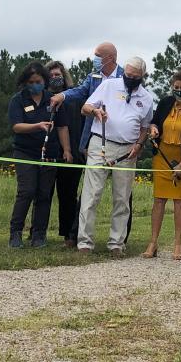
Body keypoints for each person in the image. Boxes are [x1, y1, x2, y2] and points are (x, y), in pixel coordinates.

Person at [50, 42, 134, 241]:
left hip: (122, 144)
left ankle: (121, 239)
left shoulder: (127, 77)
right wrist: (62, 95)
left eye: (97, 55)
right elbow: (79, 92)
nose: (94, 58)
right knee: (90, 191)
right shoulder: (93, 77)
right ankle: (78, 236)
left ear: (110, 58)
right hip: (95, 140)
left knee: (123, 194)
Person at [76, 56, 153, 257]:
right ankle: (85, 242)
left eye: (135, 77)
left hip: (128, 150)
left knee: (122, 197)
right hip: (100, 142)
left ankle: (116, 243)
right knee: (91, 194)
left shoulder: (146, 98)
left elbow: (145, 127)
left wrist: (139, 144)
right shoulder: (109, 85)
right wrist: (96, 111)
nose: (130, 79)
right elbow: (85, 108)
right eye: (128, 75)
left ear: (142, 76)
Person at [7, 62, 72, 248]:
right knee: (26, 191)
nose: (35, 84)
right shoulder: (18, 100)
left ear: (45, 80)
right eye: (31, 81)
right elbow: (16, 126)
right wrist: (38, 126)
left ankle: (39, 234)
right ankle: (15, 233)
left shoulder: (54, 100)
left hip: (49, 152)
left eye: (38, 81)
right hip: (24, 151)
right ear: (25, 82)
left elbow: (62, 127)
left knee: (44, 194)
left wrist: (66, 150)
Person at [143, 70, 181, 260]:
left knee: (179, 201)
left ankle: (178, 244)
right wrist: (153, 129)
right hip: (162, 156)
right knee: (159, 199)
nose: (178, 91)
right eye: (175, 88)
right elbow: (155, 123)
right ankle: (153, 243)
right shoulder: (164, 103)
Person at [45, 60, 83, 248]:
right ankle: (37, 233)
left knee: (68, 195)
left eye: (58, 75)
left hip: (72, 153)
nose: (55, 78)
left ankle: (69, 234)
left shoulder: (75, 97)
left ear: (64, 75)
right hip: (48, 152)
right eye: (51, 75)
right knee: (43, 194)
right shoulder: (41, 97)